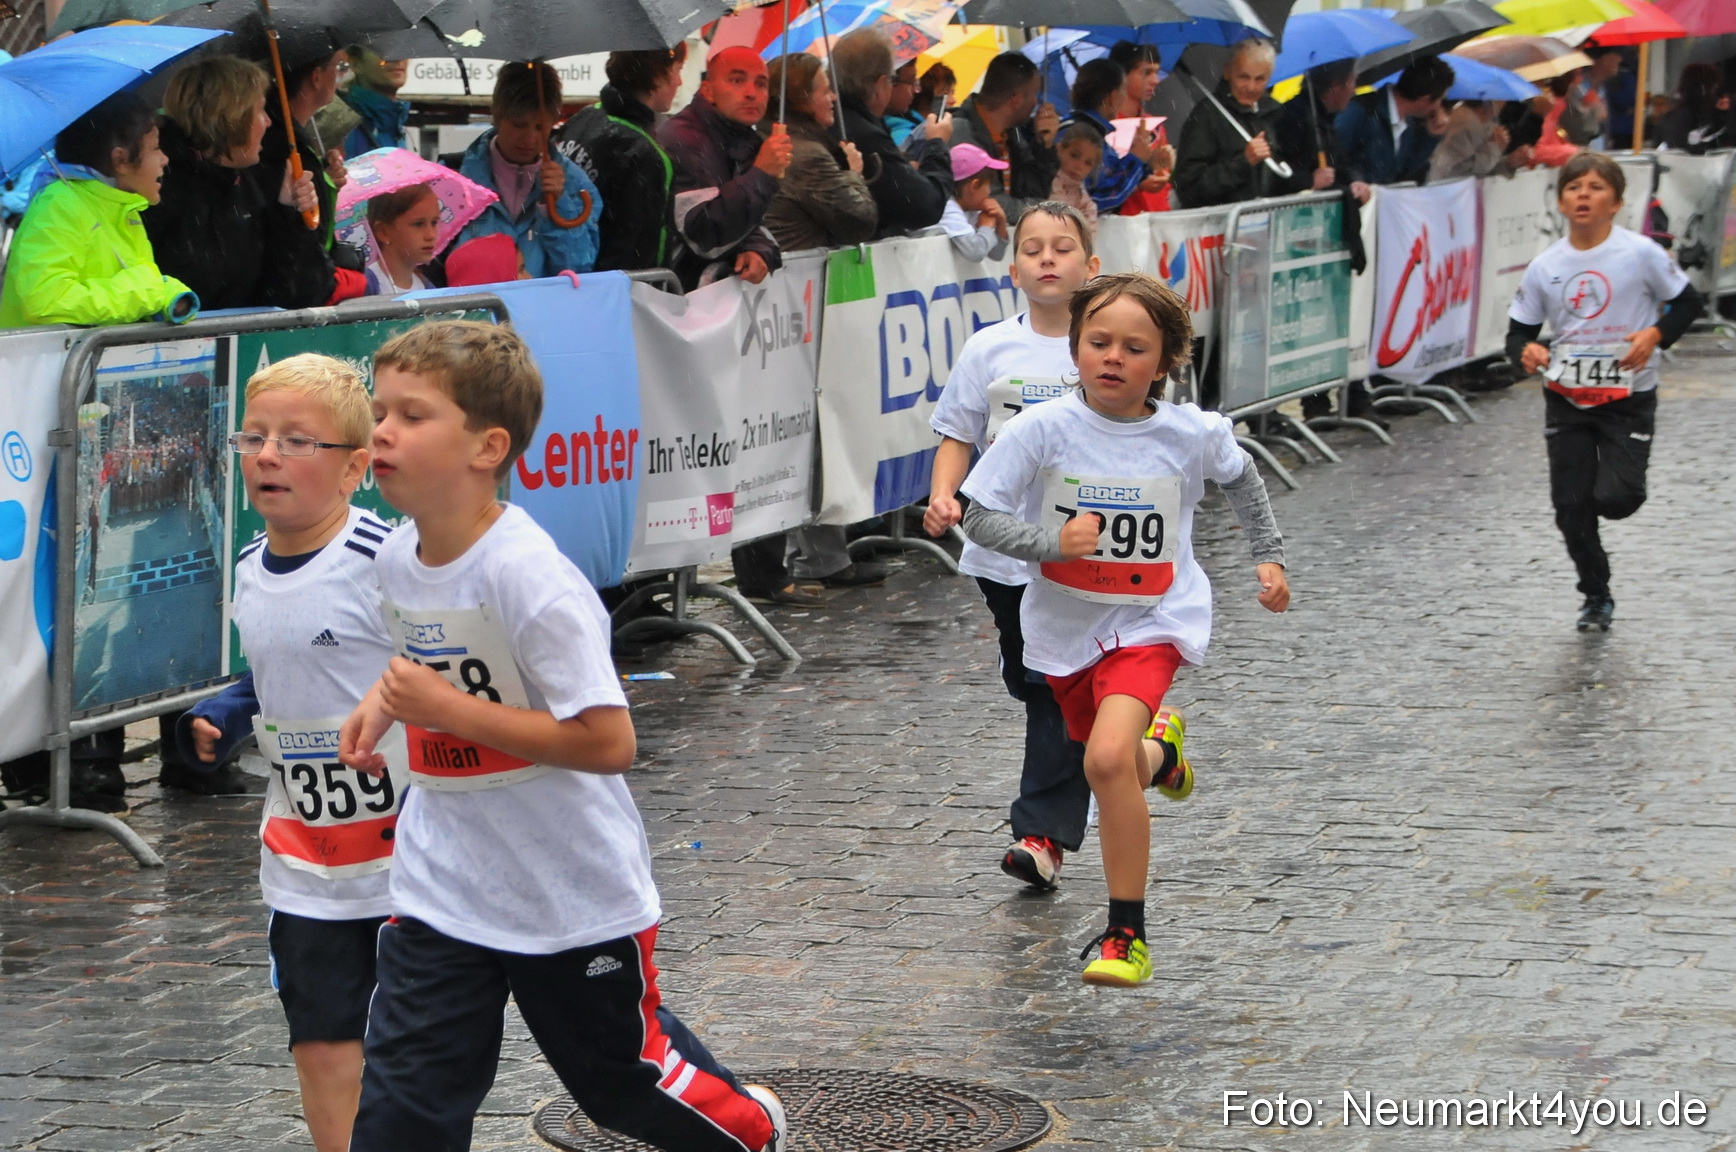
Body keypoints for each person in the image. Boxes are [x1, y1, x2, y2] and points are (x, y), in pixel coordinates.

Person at [337, 321, 786, 1152]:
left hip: (567, 892)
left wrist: (448, 710)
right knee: (405, 1109)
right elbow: (431, 650)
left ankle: (753, 1130)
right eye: (378, 410)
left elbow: (609, 742)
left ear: (487, 446)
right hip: (444, 887)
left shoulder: (531, 576)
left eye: (412, 414)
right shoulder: (398, 557)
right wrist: (385, 700)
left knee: (622, 1088)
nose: (382, 432)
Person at [958, 271, 1288, 985]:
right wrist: (1053, 546)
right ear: (1074, 348)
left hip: (1153, 618)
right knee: (1109, 762)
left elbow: (1242, 475)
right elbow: (977, 513)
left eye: (1134, 347)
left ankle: (1124, 935)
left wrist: (1269, 556)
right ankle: (1161, 758)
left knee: (1105, 760)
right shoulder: (1038, 429)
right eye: (1098, 342)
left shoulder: (1189, 433)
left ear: (1165, 360)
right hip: (1065, 626)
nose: (1113, 357)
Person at [174, 354, 398, 1152]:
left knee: (412, 1044)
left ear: (354, 469)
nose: (267, 455)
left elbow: (450, 661)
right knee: (320, 1034)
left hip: (413, 853)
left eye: (298, 441)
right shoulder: (246, 569)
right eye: (255, 437)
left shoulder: (385, 560)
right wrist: (229, 711)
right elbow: (276, 668)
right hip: (308, 854)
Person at [924, 202, 1101, 896]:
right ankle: (1138, 730)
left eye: (1063, 248)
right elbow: (956, 434)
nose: (1047, 259)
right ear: (1013, 265)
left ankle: (1042, 835)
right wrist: (946, 495)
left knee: (1052, 688)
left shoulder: (1106, 343)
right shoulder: (988, 348)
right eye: (1033, 248)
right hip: (1002, 552)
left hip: (1082, 552)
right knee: (1030, 679)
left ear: (1092, 265)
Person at [1507, 153, 1704, 633]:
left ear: (1615, 202)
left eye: (1595, 188)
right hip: (1567, 397)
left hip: (1628, 397)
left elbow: (1686, 303)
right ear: (1560, 200)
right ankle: (1596, 594)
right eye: (1574, 188)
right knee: (1571, 509)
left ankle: (1606, 496)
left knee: (1617, 497)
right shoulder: (1545, 266)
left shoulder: (1640, 254)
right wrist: (1527, 352)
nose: (1583, 196)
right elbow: (1518, 334)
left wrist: (1653, 336)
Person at [144, 56, 334, 311]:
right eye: (260, 110)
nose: (268, 121)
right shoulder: (160, 188)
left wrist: (290, 215)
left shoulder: (250, 180)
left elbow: (297, 294)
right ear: (232, 117)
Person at [0, 92, 197, 328]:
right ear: (121, 160)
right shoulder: (59, 204)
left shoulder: (124, 207)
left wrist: (168, 297)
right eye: (155, 148)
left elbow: (141, 287)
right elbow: (45, 301)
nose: (165, 159)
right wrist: (147, 293)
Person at [453, 61, 603, 279]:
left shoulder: (576, 185)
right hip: (478, 307)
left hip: (543, 307)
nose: (530, 139)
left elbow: (579, 267)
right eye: (519, 125)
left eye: (541, 127)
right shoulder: (457, 178)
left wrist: (558, 204)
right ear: (497, 116)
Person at [658, 45, 789, 289]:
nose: (752, 93)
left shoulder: (742, 139)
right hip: (673, 303)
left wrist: (758, 248)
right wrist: (761, 175)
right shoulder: (684, 139)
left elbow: (753, 222)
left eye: (761, 84)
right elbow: (703, 233)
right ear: (708, 91)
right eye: (737, 80)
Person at [555, 45, 686, 273]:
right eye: (677, 69)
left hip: (563, 275)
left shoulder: (584, 116)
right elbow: (644, 254)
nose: (680, 81)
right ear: (657, 75)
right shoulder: (646, 155)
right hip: (608, 291)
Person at [829, 28, 953, 239]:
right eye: (892, 80)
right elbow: (923, 206)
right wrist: (937, 144)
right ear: (879, 84)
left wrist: (906, 170)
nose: (914, 90)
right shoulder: (863, 134)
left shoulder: (838, 119)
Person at [761, 54, 876, 252]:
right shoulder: (806, 155)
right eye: (826, 91)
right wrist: (853, 174)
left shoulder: (767, 136)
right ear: (802, 99)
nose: (834, 97)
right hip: (796, 275)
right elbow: (860, 222)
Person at [1175, 39, 1297, 208]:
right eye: (1243, 77)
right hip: (1218, 226)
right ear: (1227, 72)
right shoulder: (1207, 116)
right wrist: (1243, 163)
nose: (1251, 87)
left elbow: (1281, 177)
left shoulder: (1273, 113)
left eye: (1260, 79)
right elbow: (1189, 189)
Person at [947, 53, 1061, 219]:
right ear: (1017, 100)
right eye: (1035, 96)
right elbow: (992, 203)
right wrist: (1041, 212)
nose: (1038, 105)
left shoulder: (1014, 134)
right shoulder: (959, 131)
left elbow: (1033, 192)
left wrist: (1044, 146)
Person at [1061, 59, 1166, 215]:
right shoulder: (1082, 136)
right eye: (1123, 91)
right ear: (1113, 96)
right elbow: (1097, 198)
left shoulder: (1093, 132)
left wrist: (1148, 166)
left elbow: (1112, 174)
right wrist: (1135, 159)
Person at [1334, 55, 1452, 187]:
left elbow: (1404, 170)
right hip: (1353, 201)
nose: (1438, 107)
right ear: (1426, 99)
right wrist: (1356, 182)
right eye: (1439, 100)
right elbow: (1334, 155)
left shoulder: (1408, 123)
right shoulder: (1362, 111)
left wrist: (1431, 136)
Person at [1272, 59, 1369, 202]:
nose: (1354, 90)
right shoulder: (1295, 116)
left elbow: (1339, 164)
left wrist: (1354, 182)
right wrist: (1309, 181)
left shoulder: (1325, 118)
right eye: (1352, 81)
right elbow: (1278, 170)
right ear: (1336, 85)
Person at [314, 48, 411, 158]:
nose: (398, 58)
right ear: (355, 64)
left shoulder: (395, 119)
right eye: (383, 51)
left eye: (402, 48)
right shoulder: (337, 123)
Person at [362, 183, 439, 295]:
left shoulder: (427, 288)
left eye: (434, 222)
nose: (431, 235)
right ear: (383, 232)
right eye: (418, 224)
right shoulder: (367, 287)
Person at [1429, 100, 1533, 182]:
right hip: (1449, 194)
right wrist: (1493, 147)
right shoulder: (1465, 121)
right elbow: (1459, 169)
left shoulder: (1487, 122)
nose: (1505, 102)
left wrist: (1508, 162)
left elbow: (1483, 169)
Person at [940, 143, 1009, 262]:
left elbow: (996, 254)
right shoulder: (947, 209)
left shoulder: (970, 210)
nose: (989, 192)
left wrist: (1000, 223)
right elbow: (976, 252)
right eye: (988, 186)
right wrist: (986, 227)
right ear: (975, 185)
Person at [1657, 63, 1730, 154]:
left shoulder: (1706, 111)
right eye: (1713, 87)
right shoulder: (1682, 114)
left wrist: (1722, 113)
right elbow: (1677, 147)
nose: (1714, 91)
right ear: (1702, 88)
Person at [1049, 124, 1101, 231]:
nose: (1079, 166)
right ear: (1060, 149)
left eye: (1088, 163)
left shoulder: (1086, 201)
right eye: (1074, 156)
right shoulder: (1048, 183)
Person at [884, 59, 923, 146]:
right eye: (911, 82)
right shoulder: (901, 139)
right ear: (889, 82)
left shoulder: (913, 118)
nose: (916, 90)